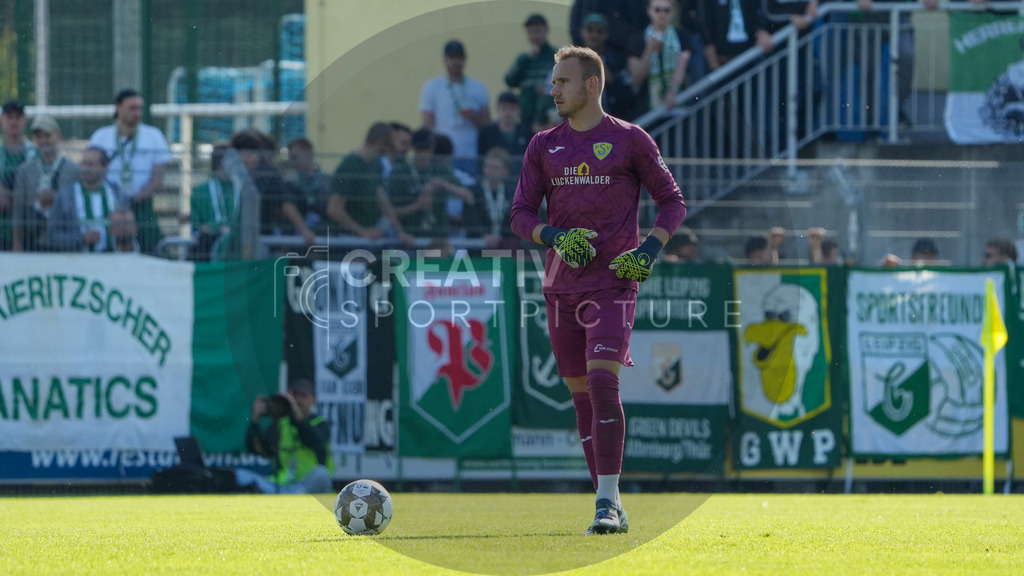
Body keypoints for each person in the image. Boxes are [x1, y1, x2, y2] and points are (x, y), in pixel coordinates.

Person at [509, 45, 687, 534]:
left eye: (562, 82)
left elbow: (672, 203)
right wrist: (555, 237)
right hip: (560, 287)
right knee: (582, 399)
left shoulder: (630, 140)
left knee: (605, 384)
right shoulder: (543, 145)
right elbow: (520, 214)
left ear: (591, 85)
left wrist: (648, 250)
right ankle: (611, 503)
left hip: (614, 284)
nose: (553, 90)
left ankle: (605, 505)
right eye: (552, 81)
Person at [88, 89, 171, 253]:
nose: (138, 113)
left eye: (140, 108)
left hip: (142, 204)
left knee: (153, 252)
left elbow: (157, 178)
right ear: (118, 108)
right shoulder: (101, 136)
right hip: (109, 204)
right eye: (132, 108)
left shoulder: (154, 136)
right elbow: (93, 171)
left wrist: (135, 199)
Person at [234, 378, 334, 494]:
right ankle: (289, 498)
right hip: (283, 487)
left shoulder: (320, 423)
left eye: (304, 396)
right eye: (295, 396)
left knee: (321, 473)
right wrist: (255, 419)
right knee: (240, 474)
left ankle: (290, 498)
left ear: (313, 400)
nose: (299, 400)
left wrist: (295, 412)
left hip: (309, 487)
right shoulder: (281, 424)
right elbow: (259, 450)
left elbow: (315, 441)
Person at [327, 122, 414, 244]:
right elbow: (334, 209)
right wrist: (362, 231)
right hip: (347, 241)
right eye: (391, 144)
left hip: (367, 240)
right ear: (382, 143)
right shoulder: (350, 165)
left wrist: (400, 232)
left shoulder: (375, 165)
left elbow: (382, 201)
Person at [419, 40, 491, 175]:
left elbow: (487, 124)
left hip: (470, 155)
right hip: (443, 156)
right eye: (452, 58)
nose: (456, 62)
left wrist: (474, 117)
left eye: (459, 58)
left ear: (465, 59)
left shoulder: (478, 87)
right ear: (445, 60)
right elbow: (427, 124)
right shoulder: (432, 87)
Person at [12, 115, 78, 252]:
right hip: (33, 240)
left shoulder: (73, 169)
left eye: (47, 135)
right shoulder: (24, 170)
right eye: (38, 137)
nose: (43, 141)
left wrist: (58, 199)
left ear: (58, 136)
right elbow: (18, 209)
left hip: (65, 241)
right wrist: (17, 243)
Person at [47, 147, 127, 252]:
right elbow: (52, 235)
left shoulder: (117, 192)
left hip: (114, 261)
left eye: (90, 164)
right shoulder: (66, 194)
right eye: (83, 163)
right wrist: (81, 238)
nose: (85, 168)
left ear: (105, 167)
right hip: (78, 262)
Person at [628, 0, 695, 113]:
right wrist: (649, 50)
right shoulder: (638, 40)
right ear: (649, 11)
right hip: (647, 105)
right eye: (657, 9)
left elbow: (681, 67)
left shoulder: (683, 36)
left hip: (676, 102)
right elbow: (637, 78)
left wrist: (672, 91)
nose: (661, 14)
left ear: (673, 12)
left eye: (666, 10)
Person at [580, 12, 641, 121]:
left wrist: (611, 80)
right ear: (582, 32)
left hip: (612, 120)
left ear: (606, 34)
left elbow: (629, 96)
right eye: (590, 30)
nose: (594, 35)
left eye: (599, 31)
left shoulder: (618, 61)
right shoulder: (572, 59)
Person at [505, 14, 558, 127]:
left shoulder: (556, 55)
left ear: (546, 30)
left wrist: (548, 89)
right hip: (527, 114)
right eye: (530, 32)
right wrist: (526, 60)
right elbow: (510, 81)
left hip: (549, 115)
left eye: (537, 31)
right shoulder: (523, 58)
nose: (534, 36)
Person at [189, 143, 236, 261]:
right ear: (221, 163)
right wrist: (219, 228)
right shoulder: (200, 190)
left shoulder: (242, 190)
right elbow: (197, 226)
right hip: (209, 245)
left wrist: (215, 227)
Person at [464, 147, 518, 249]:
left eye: (496, 168)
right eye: (488, 167)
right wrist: (483, 235)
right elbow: (469, 219)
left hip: (505, 247)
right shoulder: (473, 191)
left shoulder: (512, 193)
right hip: (478, 247)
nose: (491, 171)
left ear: (506, 171)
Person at [281, 137, 331, 247]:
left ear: (309, 154)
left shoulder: (328, 182)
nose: (293, 163)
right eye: (291, 158)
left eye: (295, 157)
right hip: (299, 241)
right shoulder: (291, 184)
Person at [0, 100, 36, 250]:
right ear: (2, 120)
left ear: (25, 120)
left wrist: (15, 196)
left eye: (18, 117)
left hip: (30, 232)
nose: (14, 121)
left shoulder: (35, 154)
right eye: (10, 117)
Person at [477, 91, 533, 161]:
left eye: (512, 108)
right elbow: (481, 159)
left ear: (519, 110)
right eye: (504, 108)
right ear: (497, 109)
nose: (508, 112)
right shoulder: (486, 133)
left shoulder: (527, 132)